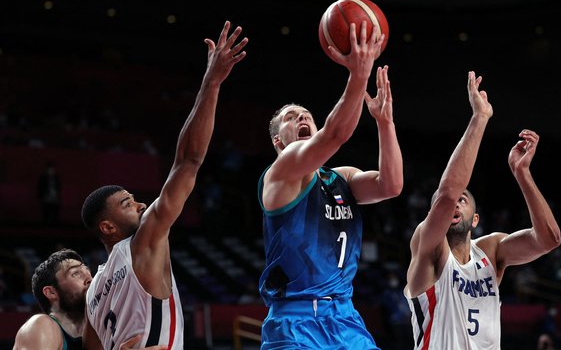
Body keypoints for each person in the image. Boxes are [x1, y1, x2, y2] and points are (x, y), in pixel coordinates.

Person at [80, 20, 248, 350]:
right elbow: (188, 161)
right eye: (128, 204)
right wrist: (211, 83)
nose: (142, 204)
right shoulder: (142, 244)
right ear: (108, 226)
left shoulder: (94, 293)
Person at [258, 21, 403, 349]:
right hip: (294, 320)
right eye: (292, 118)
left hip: (344, 316)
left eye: (306, 115)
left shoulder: (343, 178)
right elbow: (336, 135)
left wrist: (385, 122)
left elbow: (391, 185)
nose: (302, 119)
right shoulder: (279, 176)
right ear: (279, 142)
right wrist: (358, 73)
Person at [404, 71, 561, 349]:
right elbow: (447, 193)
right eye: (447, 204)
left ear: (476, 219)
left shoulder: (491, 251)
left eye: (463, 200)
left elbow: (549, 239)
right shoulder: (428, 250)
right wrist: (480, 118)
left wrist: (522, 174)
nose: (454, 203)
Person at [12, 248, 164, 350]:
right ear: (51, 292)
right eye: (76, 273)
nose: (90, 279)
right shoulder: (40, 325)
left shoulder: (103, 334)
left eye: (87, 271)